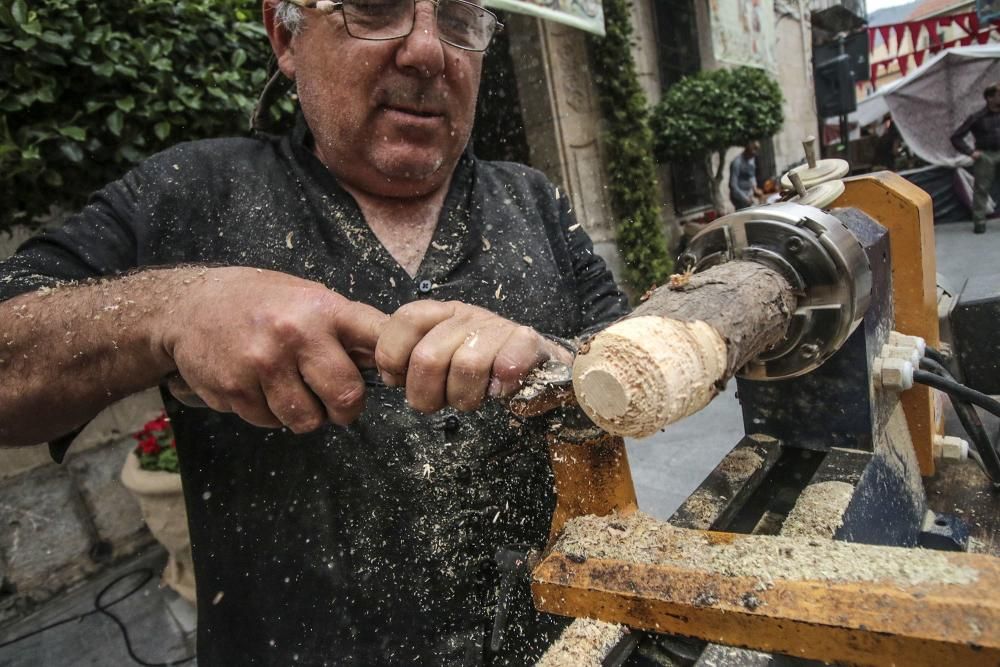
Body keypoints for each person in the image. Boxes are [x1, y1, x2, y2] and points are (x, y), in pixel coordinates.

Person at [0, 0, 628, 663]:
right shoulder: (189, 192)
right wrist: (172, 307)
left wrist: (555, 359)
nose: (426, 51)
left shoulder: (534, 199)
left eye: (458, 18)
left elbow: (635, 355)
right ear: (284, 34)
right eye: (376, 7)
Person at [950, 83, 1000, 233]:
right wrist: (970, 152)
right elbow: (956, 137)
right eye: (998, 94)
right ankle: (979, 222)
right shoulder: (977, 117)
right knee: (981, 189)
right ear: (990, 98)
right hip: (985, 154)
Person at [729, 140, 762, 210]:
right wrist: (745, 198)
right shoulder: (737, 162)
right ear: (747, 151)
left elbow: (751, 175)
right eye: (752, 154)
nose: (753, 156)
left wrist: (755, 188)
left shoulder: (751, 159)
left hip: (749, 195)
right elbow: (733, 185)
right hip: (740, 198)